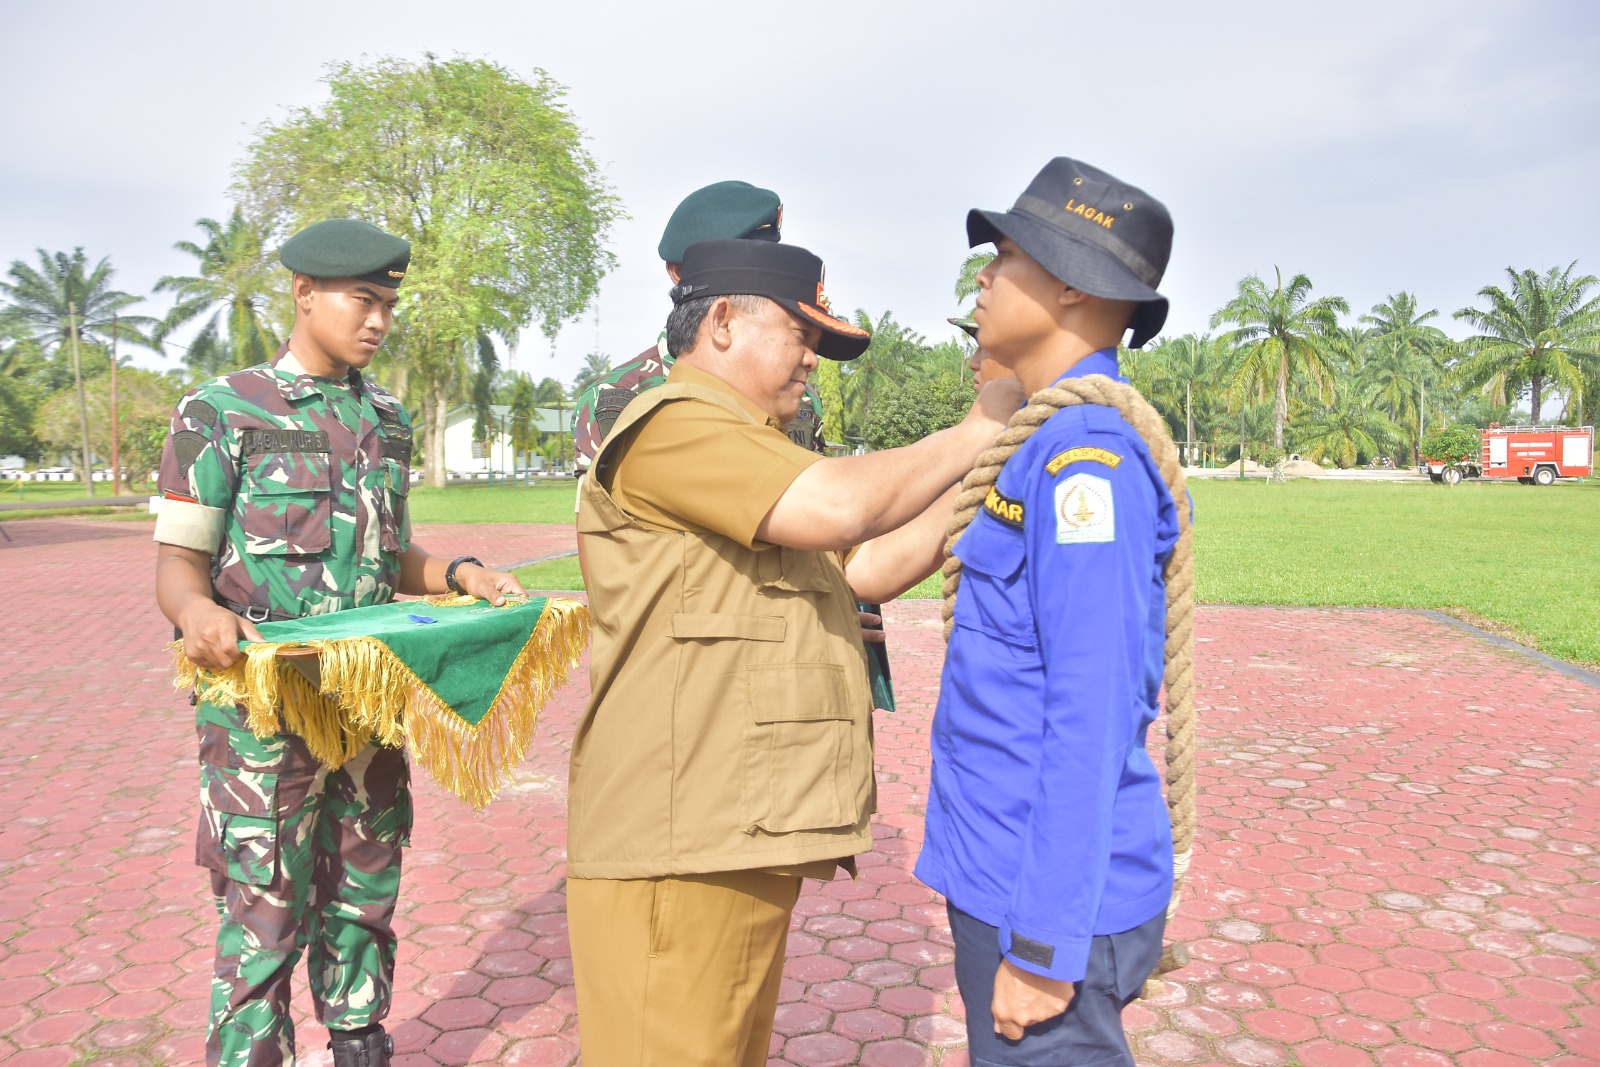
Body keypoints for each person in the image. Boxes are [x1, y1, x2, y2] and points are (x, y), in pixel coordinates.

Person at [569, 238, 1024, 1066]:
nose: (813, 359)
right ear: (722, 323)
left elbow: (870, 565)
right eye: (800, 333)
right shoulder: (672, 425)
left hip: (732, 834)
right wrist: (978, 425)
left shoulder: (760, 452)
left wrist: (993, 459)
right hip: (678, 843)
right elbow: (841, 509)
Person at [152, 218, 526, 1067]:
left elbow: (389, 553)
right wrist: (195, 613)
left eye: (389, 303)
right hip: (260, 711)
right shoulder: (220, 410)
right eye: (364, 299)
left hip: (364, 702)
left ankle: (359, 1039)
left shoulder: (386, 419)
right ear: (304, 294)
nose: (379, 320)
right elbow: (178, 565)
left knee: (365, 892)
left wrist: (461, 573)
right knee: (263, 907)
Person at [915, 158, 1181, 1065]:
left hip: (1044, 896)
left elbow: (1092, 709)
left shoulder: (1086, 462)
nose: (982, 277)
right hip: (1002, 863)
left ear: (1073, 283)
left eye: (1005, 256)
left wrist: (1041, 947)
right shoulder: (1039, 435)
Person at [572, 179, 896, 705]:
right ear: (680, 275)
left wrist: (834, 601)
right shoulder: (621, 399)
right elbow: (615, 568)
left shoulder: (793, 391)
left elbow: (815, 521)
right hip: (697, 673)